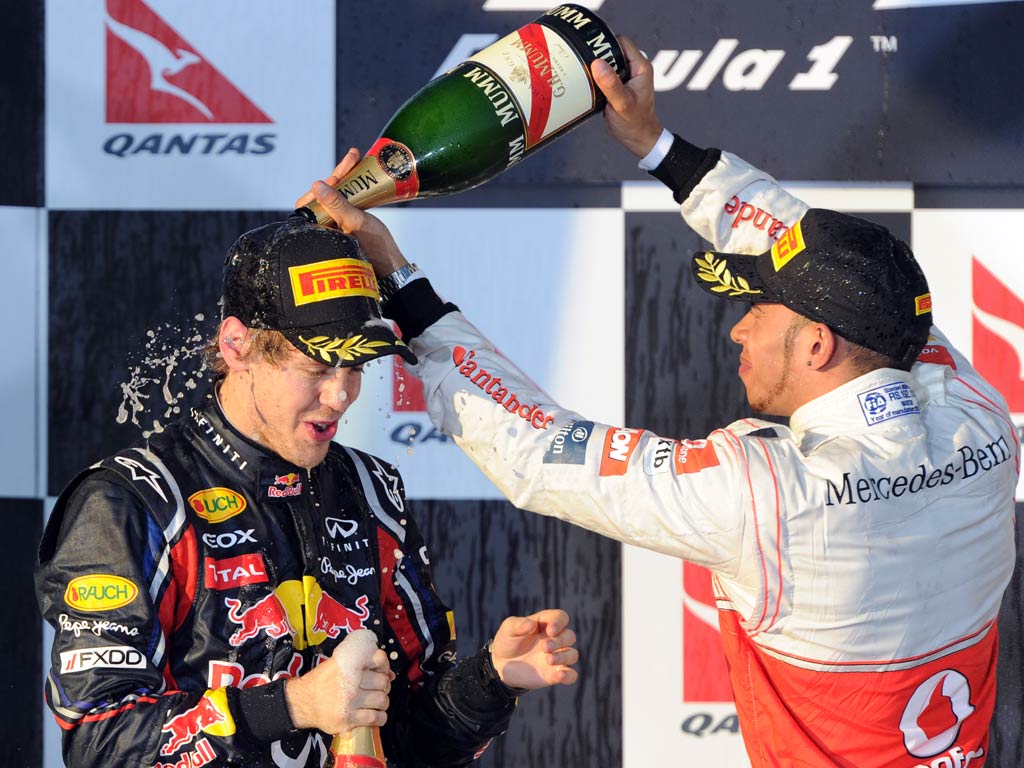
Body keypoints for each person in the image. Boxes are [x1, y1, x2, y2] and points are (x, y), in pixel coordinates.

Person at [296, 36, 1019, 767]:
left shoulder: (767, 498)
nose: (738, 325)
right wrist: (659, 147)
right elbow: (847, 269)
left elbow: (537, 450)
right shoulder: (975, 417)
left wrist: (400, 277)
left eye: (758, 310)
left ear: (816, 348)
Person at [35, 218, 579, 768]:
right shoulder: (132, 501)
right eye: (316, 366)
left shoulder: (372, 490)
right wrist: (294, 704)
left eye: (355, 367)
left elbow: (410, 739)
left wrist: (490, 680)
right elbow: (98, 741)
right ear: (237, 346)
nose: (341, 393)